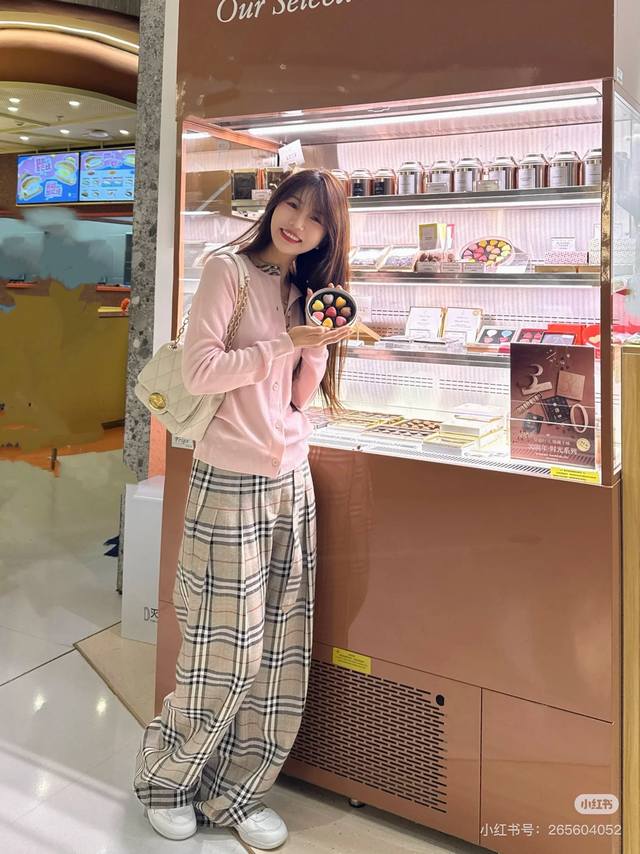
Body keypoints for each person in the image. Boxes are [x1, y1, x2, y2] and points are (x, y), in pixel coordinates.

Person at [134, 169, 352, 849]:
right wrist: (286, 342)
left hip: (292, 479)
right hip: (229, 480)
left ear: (328, 234)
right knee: (223, 651)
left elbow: (294, 400)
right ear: (274, 203)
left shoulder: (302, 290)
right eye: (292, 205)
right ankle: (168, 782)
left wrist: (317, 344)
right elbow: (200, 372)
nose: (298, 224)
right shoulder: (226, 270)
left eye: (316, 219)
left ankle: (236, 792)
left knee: (281, 651)